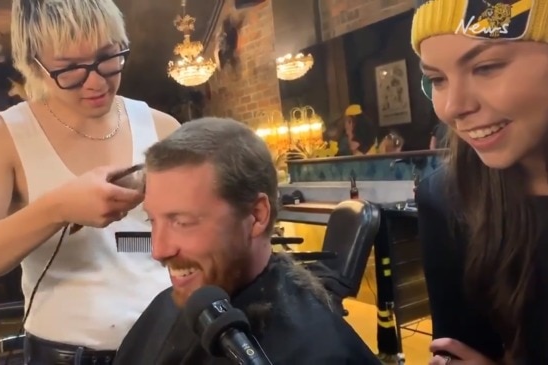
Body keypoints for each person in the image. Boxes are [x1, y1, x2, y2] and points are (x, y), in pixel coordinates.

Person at [0, 0, 180, 363]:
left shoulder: (162, 128)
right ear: (35, 65)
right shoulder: (0, 140)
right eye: (69, 69)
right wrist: (58, 208)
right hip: (66, 355)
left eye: (107, 57)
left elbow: (182, 244)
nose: (96, 81)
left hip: (170, 346)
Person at [114, 118, 381, 364]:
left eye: (182, 222)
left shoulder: (319, 350)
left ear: (256, 215)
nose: (159, 251)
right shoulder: (168, 306)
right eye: (152, 221)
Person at [412, 0, 548, 364]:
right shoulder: (447, 199)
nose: (452, 107)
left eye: (486, 67)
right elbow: (458, 348)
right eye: (437, 80)